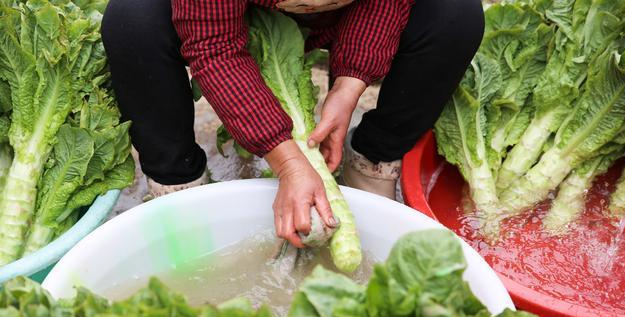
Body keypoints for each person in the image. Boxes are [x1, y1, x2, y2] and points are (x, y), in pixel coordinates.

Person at [101, 0, 484, 248]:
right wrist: (288, 162)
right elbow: (213, 46)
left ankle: (372, 156)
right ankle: (177, 181)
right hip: (220, 13)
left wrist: (349, 85)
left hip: (352, 14)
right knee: (132, 20)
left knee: (455, 15)